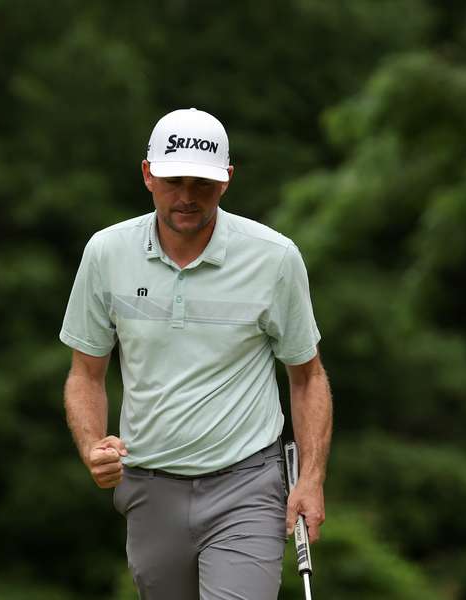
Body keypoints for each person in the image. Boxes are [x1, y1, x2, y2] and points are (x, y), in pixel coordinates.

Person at [59, 107, 333, 599]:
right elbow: (86, 373)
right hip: (149, 486)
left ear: (226, 180)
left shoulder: (274, 258)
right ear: (147, 175)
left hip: (247, 485)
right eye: (173, 181)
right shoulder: (106, 253)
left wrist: (310, 479)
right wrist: (90, 445)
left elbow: (308, 377)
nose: (187, 197)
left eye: (202, 184)